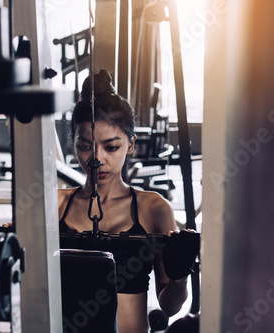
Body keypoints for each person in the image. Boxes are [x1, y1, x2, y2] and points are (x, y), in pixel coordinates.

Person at [57, 69, 198, 333]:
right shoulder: (54, 206)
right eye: (85, 146)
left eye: (111, 147)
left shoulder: (153, 209)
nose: (96, 158)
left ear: (131, 144)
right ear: (74, 143)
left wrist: (179, 278)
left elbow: (169, 307)